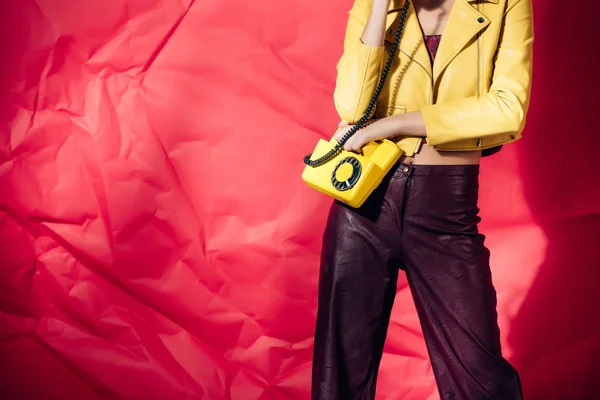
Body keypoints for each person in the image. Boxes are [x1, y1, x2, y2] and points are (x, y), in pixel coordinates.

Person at [310, 0, 533, 398]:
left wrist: (393, 123)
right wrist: (379, 6)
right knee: (340, 373)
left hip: (445, 205)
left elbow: (508, 109)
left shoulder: (506, 4)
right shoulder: (377, 5)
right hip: (362, 204)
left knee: (479, 375)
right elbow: (351, 106)